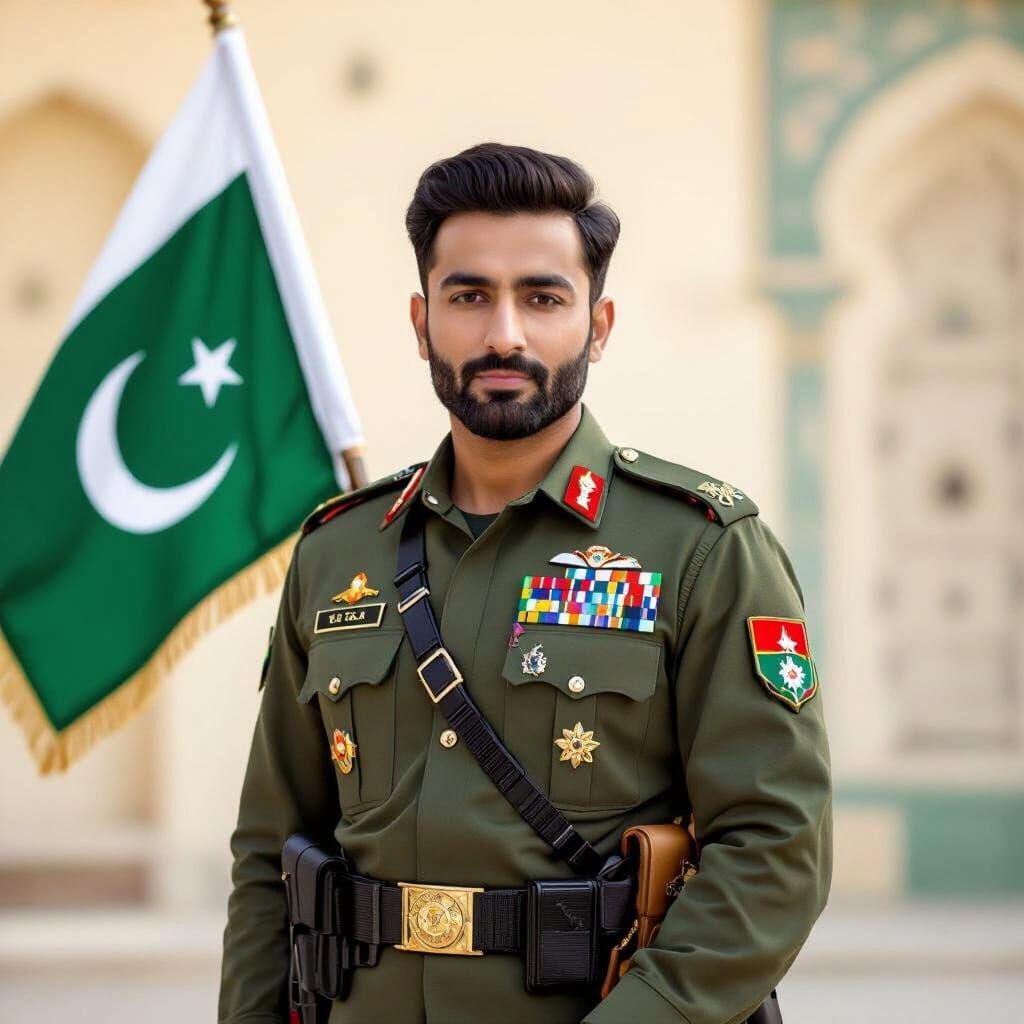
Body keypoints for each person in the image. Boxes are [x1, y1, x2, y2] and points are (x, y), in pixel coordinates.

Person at [218, 142, 832, 1024]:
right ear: (422, 321)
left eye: (543, 298)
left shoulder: (699, 548)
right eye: (468, 296)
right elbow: (269, 850)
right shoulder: (337, 551)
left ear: (600, 323)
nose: (503, 332)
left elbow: (777, 846)